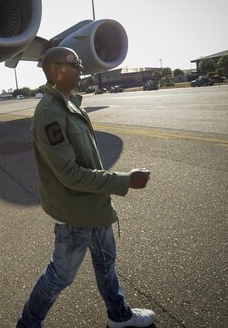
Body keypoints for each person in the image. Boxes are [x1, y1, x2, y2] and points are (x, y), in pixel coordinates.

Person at [17, 47, 155, 328]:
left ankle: (120, 316)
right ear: (55, 69)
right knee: (59, 276)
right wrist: (125, 181)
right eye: (75, 63)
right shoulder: (49, 113)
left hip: (95, 206)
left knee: (107, 267)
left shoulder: (70, 105)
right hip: (75, 214)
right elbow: (69, 173)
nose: (81, 68)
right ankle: (28, 324)